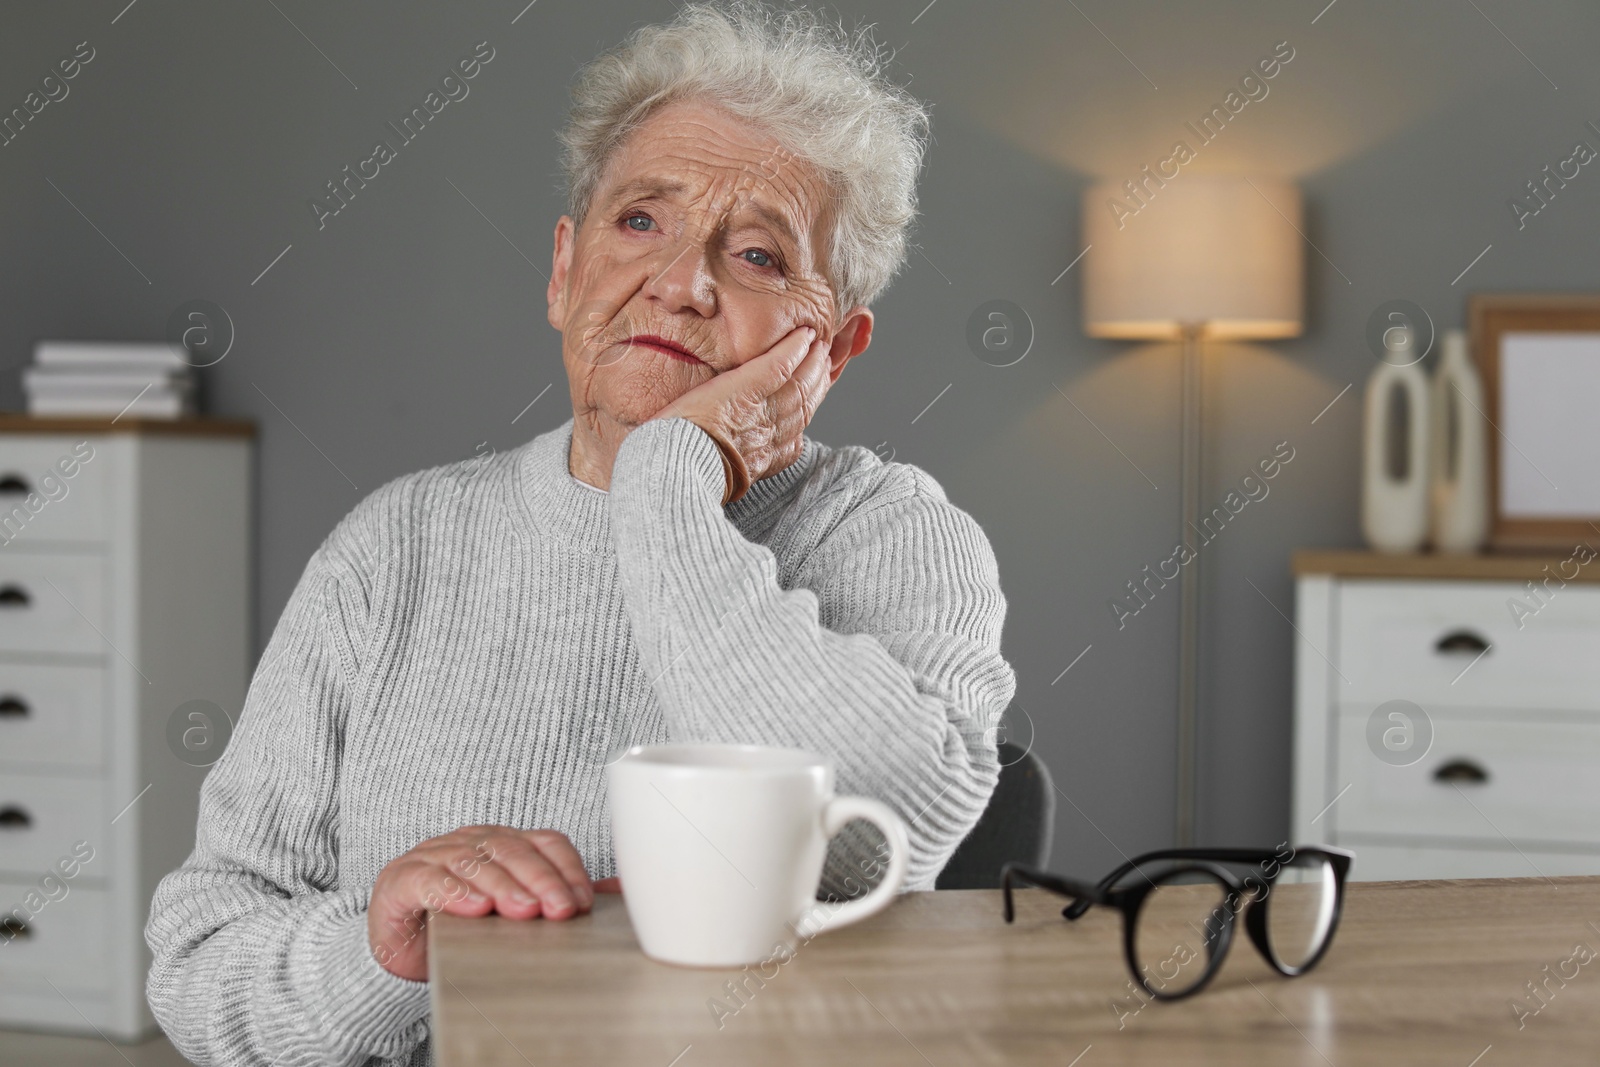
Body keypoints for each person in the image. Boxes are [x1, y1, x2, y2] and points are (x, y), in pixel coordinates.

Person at [145, 2, 1015, 1063]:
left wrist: (666, 478)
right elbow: (196, 964)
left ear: (831, 352)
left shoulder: (893, 536)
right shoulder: (395, 547)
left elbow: (892, 819)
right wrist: (377, 953)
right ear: (565, 272)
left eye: (755, 255)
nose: (683, 282)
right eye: (640, 221)